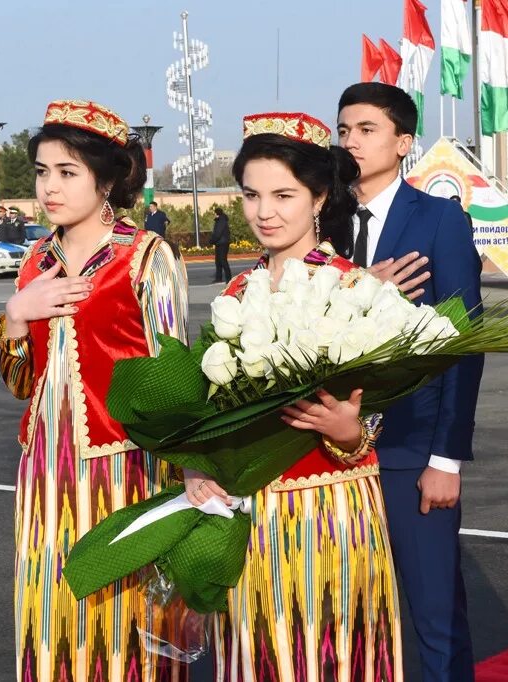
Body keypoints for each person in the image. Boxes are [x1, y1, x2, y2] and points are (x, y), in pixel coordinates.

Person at [187, 112, 402, 680]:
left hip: (329, 510)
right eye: (252, 194)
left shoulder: (353, 287)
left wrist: (350, 432)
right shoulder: (235, 292)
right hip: (247, 512)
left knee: (328, 651)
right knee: (254, 653)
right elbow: (209, 412)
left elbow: (374, 417)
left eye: (283, 194)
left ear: (319, 196)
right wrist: (195, 466)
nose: (264, 211)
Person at [0, 99, 191, 682]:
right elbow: (20, 384)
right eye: (41, 172)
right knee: (50, 615)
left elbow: (174, 375)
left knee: (124, 623)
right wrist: (15, 317)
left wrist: (184, 481)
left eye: (67, 172)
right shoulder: (35, 260)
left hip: (123, 466)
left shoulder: (145, 257)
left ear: (107, 180)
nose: (49, 187)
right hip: (44, 469)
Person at [337, 82, 483, 682]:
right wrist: (357, 288)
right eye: (343, 130)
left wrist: (446, 457)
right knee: (348, 612)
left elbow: (463, 345)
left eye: (366, 130)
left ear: (403, 142)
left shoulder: (440, 219)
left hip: (410, 449)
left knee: (434, 612)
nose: (350, 142)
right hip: (325, 450)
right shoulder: (323, 221)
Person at [209, 205, 232, 282]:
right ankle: (219, 278)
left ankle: (228, 278)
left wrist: (212, 240)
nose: (214, 215)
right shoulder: (220, 220)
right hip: (220, 243)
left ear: (217, 213)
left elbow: (218, 233)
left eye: (214, 213)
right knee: (218, 261)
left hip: (222, 243)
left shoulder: (221, 221)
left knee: (222, 260)